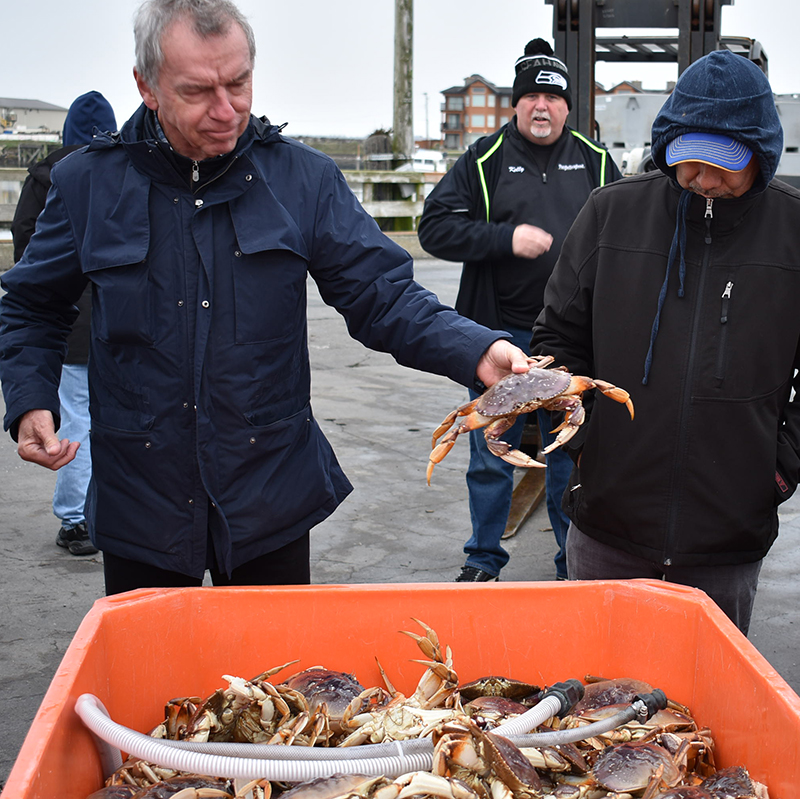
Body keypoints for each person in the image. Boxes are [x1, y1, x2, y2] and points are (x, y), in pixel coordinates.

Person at [0, 0, 530, 596]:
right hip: (139, 500)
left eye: (239, 82)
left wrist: (478, 349)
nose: (227, 110)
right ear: (146, 86)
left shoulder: (304, 180)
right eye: (199, 91)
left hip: (268, 496)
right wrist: (29, 399)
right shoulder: (86, 183)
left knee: (274, 685)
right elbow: (31, 305)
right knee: (149, 682)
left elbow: (383, 295)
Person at [531, 49, 800, 635]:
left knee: (703, 715)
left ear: (762, 152)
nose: (703, 178)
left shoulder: (793, 231)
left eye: (723, 163)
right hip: (607, 526)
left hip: (727, 540)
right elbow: (556, 342)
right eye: (688, 159)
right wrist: (585, 445)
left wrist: (778, 471)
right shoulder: (611, 214)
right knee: (592, 701)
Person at [417, 39, 622, 582]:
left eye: (552, 98)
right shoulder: (483, 160)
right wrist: (505, 238)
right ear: (514, 104)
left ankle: (567, 564)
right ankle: (482, 560)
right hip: (495, 334)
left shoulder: (598, 162)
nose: (540, 106)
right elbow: (433, 227)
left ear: (568, 108)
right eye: (530, 95)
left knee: (567, 454)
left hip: (569, 337)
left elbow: (628, 237)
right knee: (490, 454)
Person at [10, 91, 117, 557]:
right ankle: (113, 512)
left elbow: (25, 247)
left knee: (73, 423)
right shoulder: (119, 173)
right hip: (116, 323)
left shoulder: (45, 177)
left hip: (67, 326)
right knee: (118, 421)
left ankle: (77, 520)